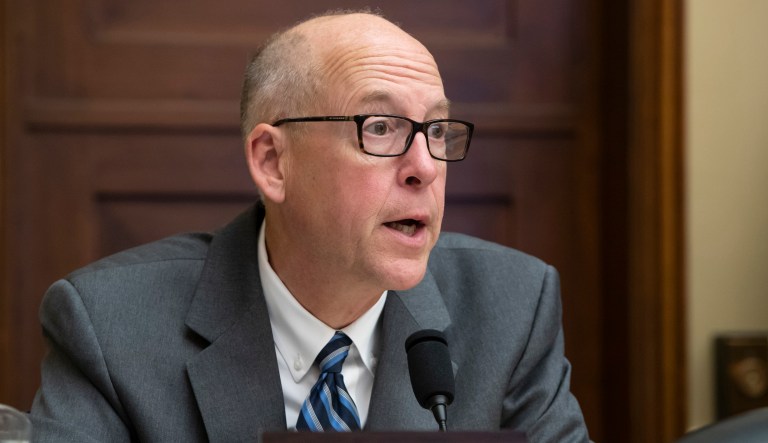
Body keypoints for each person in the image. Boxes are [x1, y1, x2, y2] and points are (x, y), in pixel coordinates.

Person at [28, 10, 590, 443]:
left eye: (438, 131)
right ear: (273, 161)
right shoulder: (109, 326)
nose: (424, 166)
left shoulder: (512, 308)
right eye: (382, 127)